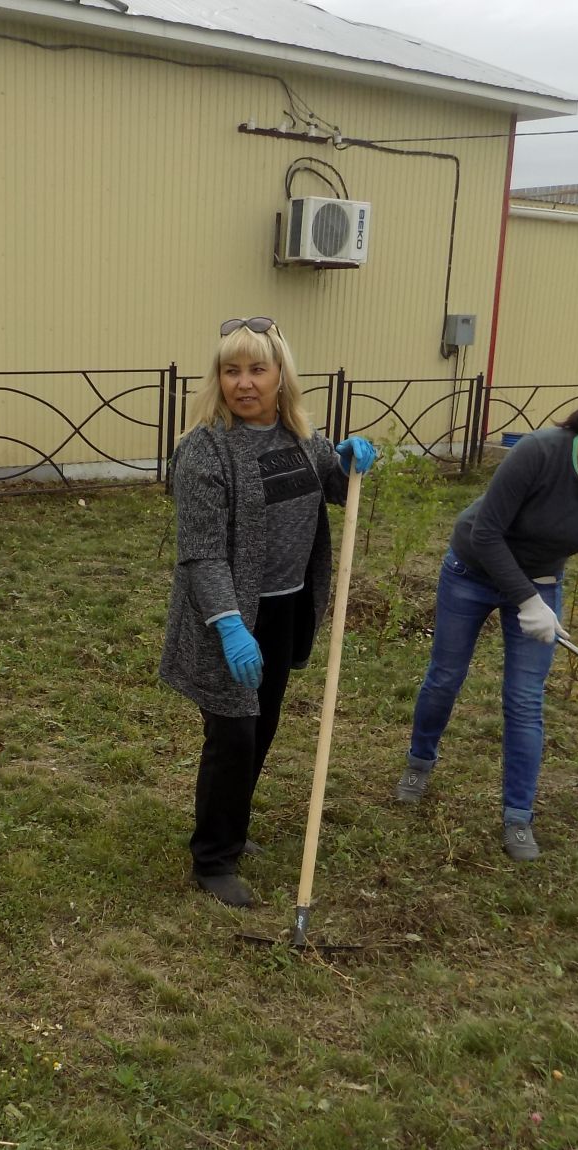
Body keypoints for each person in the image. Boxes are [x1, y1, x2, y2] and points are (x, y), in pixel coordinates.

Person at [395, 381, 578, 862]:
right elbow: (486, 532)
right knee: (445, 677)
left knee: (525, 700)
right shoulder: (540, 452)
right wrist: (526, 599)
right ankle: (419, 762)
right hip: (471, 570)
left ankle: (518, 816)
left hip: (540, 581)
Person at [159, 318, 377, 909]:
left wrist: (348, 462)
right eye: (232, 370)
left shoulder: (301, 439)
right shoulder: (205, 451)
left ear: (281, 376)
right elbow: (201, 552)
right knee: (232, 734)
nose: (244, 383)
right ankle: (213, 859)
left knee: (264, 727)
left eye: (257, 369)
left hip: (285, 610)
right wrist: (229, 625)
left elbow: (332, 486)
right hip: (225, 617)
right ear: (218, 379)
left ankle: (230, 824)